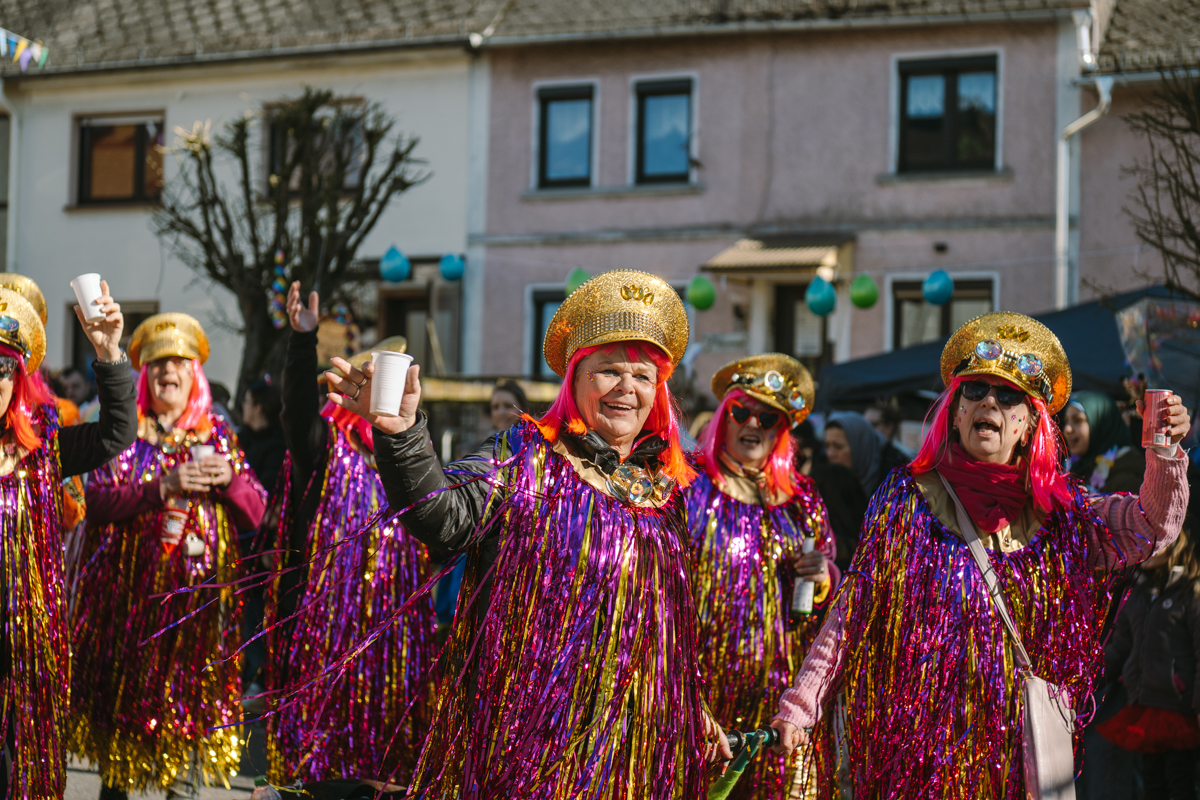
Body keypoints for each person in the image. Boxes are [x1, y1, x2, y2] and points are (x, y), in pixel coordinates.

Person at [323, 269, 732, 797]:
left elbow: (665, 628)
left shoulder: (665, 491)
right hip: (531, 744)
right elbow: (441, 518)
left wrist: (691, 706)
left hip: (629, 748)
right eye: (609, 371)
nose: (627, 389)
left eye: (643, 376)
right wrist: (403, 434)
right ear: (576, 379)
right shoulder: (527, 458)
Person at [769, 311, 1192, 798]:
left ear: (1030, 422)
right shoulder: (912, 499)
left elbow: (1152, 529)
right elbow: (854, 611)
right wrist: (801, 706)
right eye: (976, 390)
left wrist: (1165, 453)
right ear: (955, 410)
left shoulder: (1063, 515)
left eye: (1009, 395)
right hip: (919, 759)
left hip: (1015, 762)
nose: (989, 400)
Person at [70, 312, 267, 800]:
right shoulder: (124, 432)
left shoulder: (217, 434)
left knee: (185, 753)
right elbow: (92, 503)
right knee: (118, 754)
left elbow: (258, 514)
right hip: (127, 613)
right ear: (144, 376)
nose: (166, 372)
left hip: (196, 620)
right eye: (156, 365)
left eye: (178, 362)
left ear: (194, 373)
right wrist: (162, 487)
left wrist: (231, 481)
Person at [262, 283, 435, 784]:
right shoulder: (325, 447)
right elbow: (295, 414)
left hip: (392, 642)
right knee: (317, 768)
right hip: (323, 642)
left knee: (384, 769)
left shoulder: (409, 455)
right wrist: (303, 342)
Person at [0, 283, 135, 798]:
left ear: (19, 379)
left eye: (2, 368)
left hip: (23, 652)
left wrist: (108, 353)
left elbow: (116, 433)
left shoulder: (44, 448)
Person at [686, 354, 836, 798]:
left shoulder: (802, 500)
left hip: (778, 699)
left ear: (780, 432)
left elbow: (828, 603)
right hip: (700, 692)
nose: (753, 423)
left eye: (768, 417)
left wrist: (825, 576)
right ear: (723, 418)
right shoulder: (688, 487)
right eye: (741, 411)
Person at [1099, 532, 1200, 800]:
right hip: (1143, 705)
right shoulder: (1137, 595)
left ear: (1173, 548)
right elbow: (1119, 647)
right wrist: (1086, 679)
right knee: (1152, 785)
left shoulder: (1191, 592)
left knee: (1180, 783)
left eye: (1153, 545)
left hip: (1179, 708)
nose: (1146, 551)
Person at [1063, 390, 1146, 494]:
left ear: (1102, 424)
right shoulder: (1078, 467)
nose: (1067, 429)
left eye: (1078, 420)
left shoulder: (1128, 477)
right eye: (1066, 421)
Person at [240, 378, 287, 496]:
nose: (243, 406)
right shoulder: (241, 437)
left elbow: (266, 488)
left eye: (247, 401)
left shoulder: (277, 447)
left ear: (258, 408)